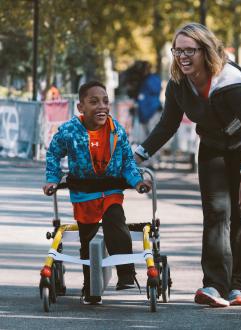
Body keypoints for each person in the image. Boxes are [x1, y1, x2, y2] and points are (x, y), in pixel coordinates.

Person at [134, 23, 241, 307]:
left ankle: (238, 286)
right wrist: (136, 155)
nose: (182, 56)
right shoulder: (177, 83)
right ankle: (213, 286)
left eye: (189, 50)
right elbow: (167, 125)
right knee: (215, 212)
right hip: (213, 144)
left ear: (205, 50)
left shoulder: (229, 79)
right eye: (178, 50)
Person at [43, 81, 151, 305]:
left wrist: (138, 182)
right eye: (94, 102)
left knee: (115, 221)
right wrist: (52, 179)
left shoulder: (116, 130)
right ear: (81, 107)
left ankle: (126, 274)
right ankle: (90, 288)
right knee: (88, 242)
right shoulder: (69, 131)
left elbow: (128, 163)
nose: (102, 106)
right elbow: (53, 153)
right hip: (84, 193)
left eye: (105, 101)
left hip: (111, 189)